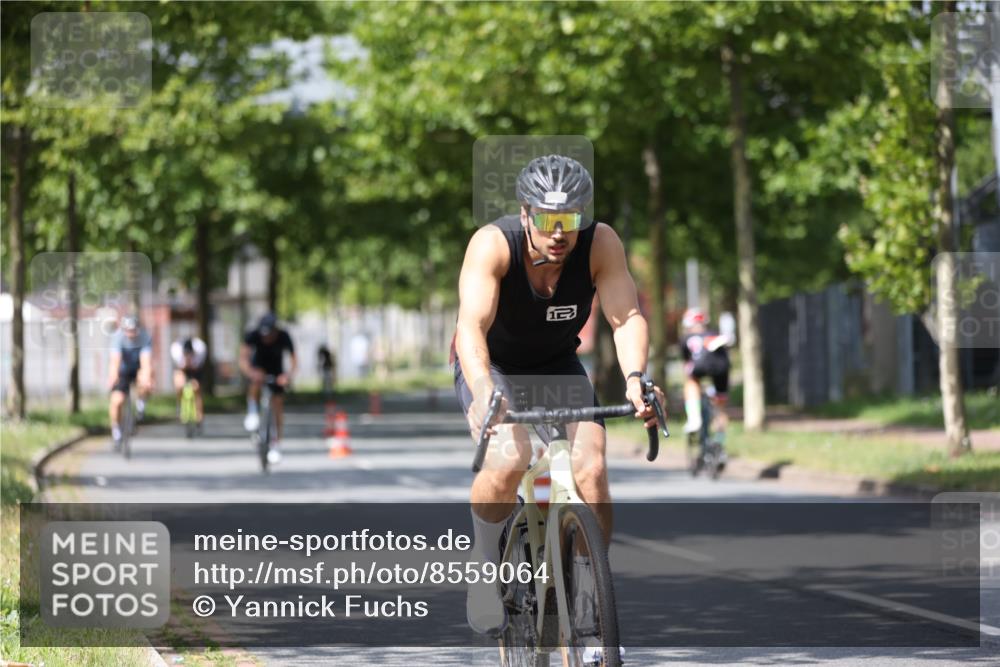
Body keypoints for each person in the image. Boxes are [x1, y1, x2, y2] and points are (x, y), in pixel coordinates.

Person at [454, 154, 664, 649]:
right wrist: (484, 391)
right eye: (547, 219)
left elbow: (626, 317)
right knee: (510, 458)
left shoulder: (600, 243)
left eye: (569, 219)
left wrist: (636, 378)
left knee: (592, 468)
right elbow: (471, 327)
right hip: (494, 366)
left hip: (556, 365)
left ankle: (590, 596)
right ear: (525, 213)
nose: (558, 232)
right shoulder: (493, 244)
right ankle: (485, 565)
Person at [240, 313, 296, 464]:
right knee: (255, 384)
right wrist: (250, 372)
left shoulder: (284, 336)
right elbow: (243, 358)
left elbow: (294, 360)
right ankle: (252, 411)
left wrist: (287, 376)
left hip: (276, 370)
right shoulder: (253, 335)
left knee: (277, 405)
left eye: (269, 334)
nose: (266, 338)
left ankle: (276, 444)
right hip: (258, 367)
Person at [680, 307, 733, 441]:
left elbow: (686, 361)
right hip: (722, 369)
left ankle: (694, 419)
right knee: (720, 405)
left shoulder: (687, 338)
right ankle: (720, 440)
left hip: (700, 367)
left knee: (691, 381)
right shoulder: (715, 333)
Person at [107, 315, 153, 449]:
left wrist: (147, 378)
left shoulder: (145, 337)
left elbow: (146, 362)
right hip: (122, 370)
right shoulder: (117, 338)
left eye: (133, 330)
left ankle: (140, 405)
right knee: (117, 401)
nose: (131, 334)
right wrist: (113, 377)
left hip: (137, 368)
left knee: (145, 379)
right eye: (128, 330)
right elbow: (115, 361)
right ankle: (116, 431)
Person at [170, 335, 207, 430]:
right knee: (179, 384)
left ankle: (199, 415)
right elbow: (179, 369)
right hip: (181, 368)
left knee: (196, 388)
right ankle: (179, 404)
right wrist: (185, 365)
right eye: (186, 355)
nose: (188, 357)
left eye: (190, 355)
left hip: (196, 369)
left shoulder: (200, 351)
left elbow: (198, 369)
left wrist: (192, 366)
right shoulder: (176, 351)